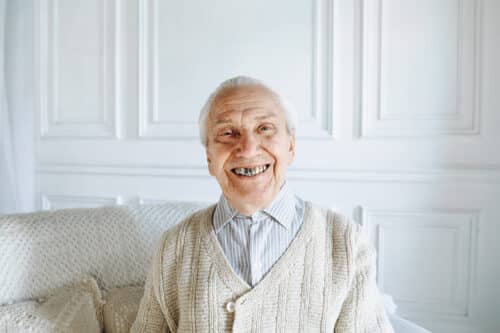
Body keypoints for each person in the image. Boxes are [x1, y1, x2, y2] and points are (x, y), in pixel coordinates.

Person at [131, 76, 394, 332]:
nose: (247, 148)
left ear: (291, 146)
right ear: (209, 157)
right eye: (227, 133)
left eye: (264, 129)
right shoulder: (174, 246)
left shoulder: (346, 242)